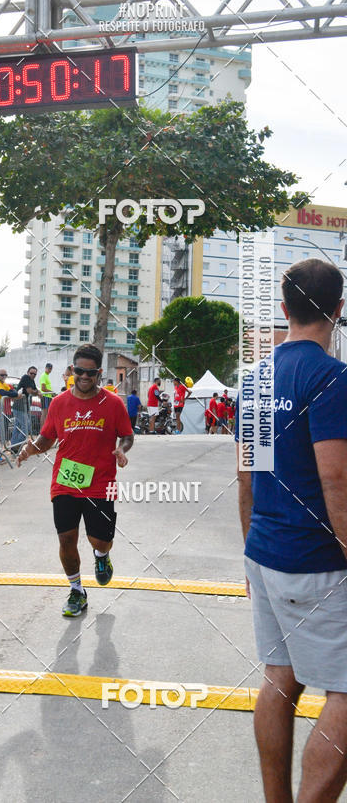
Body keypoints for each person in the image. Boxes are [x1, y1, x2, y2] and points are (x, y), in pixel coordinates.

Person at [237, 258, 347, 803]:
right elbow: (337, 484)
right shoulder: (333, 379)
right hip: (316, 563)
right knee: (346, 696)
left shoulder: (254, 378)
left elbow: (247, 477)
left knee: (280, 679)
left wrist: (249, 555)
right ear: (339, 311)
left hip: (265, 551)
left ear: (285, 310)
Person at [17, 344, 134, 617]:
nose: (84, 377)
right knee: (66, 539)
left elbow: (127, 435)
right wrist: (32, 448)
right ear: (72, 370)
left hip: (100, 483)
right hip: (65, 482)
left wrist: (122, 450)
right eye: (79, 371)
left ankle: (102, 558)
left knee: (99, 541)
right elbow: (47, 438)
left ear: (98, 374)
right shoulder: (59, 404)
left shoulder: (113, 403)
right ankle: (77, 591)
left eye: (90, 373)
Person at [12, 366, 38, 451]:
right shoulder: (26, 377)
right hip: (19, 407)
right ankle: (17, 445)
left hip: (23, 407)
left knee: (18, 427)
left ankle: (13, 446)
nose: (33, 375)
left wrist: (36, 392)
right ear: (27, 372)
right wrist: (37, 392)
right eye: (31, 373)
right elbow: (30, 391)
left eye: (35, 374)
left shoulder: (31, 380)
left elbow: (35, 390)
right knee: (27, 425)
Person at [39, 362, 55, 428]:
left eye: (50, 369)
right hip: (45, 396)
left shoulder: (46, 376)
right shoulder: (43, 375)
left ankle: (45, 428)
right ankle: (42, 429)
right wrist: (52, 392)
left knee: (47, 414)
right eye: (48, 368)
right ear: (45, 368)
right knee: (44, 414)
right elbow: (43, 388)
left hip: (48, 396)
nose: (49, 370)